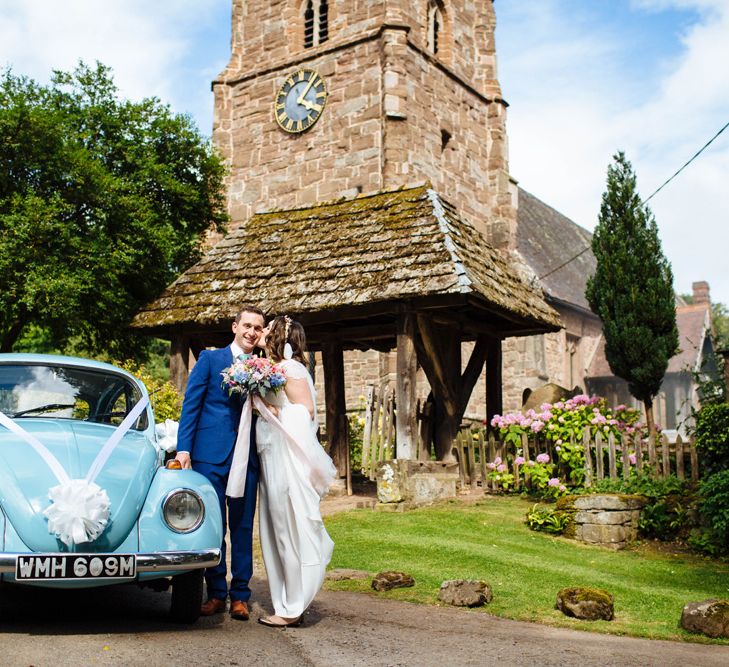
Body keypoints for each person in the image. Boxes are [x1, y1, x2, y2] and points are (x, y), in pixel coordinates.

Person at [174, 305, 265, 620]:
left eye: (258, 328)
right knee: (213, 527)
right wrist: (184, 449)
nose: (252, 332)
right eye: (247, 326)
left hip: (247, 458)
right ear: (235, 326)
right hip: (209, 456)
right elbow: (191, 405)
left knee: (242, 527)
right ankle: (215, 593)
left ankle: (240, 595)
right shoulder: (210, 360)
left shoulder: (265, 368)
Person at [255, 315, 337, 628]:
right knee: (275, 528)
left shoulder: (291, 369)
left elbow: (306, 413)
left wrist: (274, 410)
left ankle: (292, 605)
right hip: (271, 454)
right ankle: (287, 601)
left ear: (279, 336)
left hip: (286, 457)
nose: (262, 332)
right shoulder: (270, 367)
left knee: (288, 525)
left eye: (268, 328)